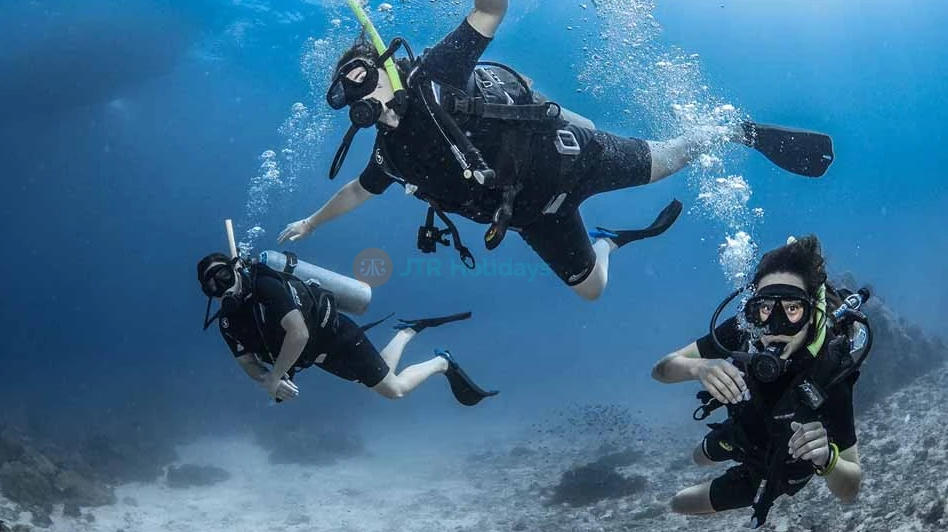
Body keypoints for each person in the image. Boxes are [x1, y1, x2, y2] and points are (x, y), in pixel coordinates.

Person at [278, 0, 835, 301]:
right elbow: (357, 190)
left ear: (383, 62)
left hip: (575, 154)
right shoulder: (390, 154)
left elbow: (490, 11)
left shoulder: (436, 75)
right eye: (342, 92)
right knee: (591, 291)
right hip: (531, 215)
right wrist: (310, 221)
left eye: (358, 74)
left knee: (669, 160)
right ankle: (609, 240)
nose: (355, 93)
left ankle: (730, 131)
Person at [650, 236, 868, 528]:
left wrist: (828, 459)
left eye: (792, 309)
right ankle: (718, 445)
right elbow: (662, 369)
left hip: (780, 466)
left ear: (811, 312)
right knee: (701, 455)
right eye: (766, 308)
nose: (775, 326)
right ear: (753, 309)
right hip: (740, 432)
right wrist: (697, 368)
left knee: (680, 503)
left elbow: (850, 488)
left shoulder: (828, 369)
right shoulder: (745, 330)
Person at [196, 251, 499, 406]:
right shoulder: (228, 320)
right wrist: (266, 381)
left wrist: (276, 375)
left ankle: (441, 362)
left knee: (393, 391)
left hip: (339, 336)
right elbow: (246, 361)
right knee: (375, 378)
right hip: (318, 356)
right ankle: (409, 330)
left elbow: (298, 333)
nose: (219, 289)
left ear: (236, 269)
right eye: (210, 287)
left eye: (222, 277)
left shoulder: (265, 284)